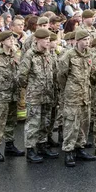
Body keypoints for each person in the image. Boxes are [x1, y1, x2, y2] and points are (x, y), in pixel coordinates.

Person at [57, 29, 96, 167]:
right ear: (78, 40)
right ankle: (68, 150)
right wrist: (67, 89)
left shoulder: (89, 54)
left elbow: (92, 73)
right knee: (71, 124)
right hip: (72, 95)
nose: (87, 42)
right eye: (84, 40)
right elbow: (61, 76)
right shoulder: (68, 55)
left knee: (84, 123)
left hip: (85, 94)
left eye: (88, 39)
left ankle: (80, 148)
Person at [19, 28, 58, 163]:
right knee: (33, 123)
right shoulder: (30, 55)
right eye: (45, 39)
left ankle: (42, 145)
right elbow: (22, 76)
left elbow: (54, 71)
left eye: (49, 39)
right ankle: (30, 150)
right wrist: (31, 87)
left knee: (45, 122)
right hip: (35, 95)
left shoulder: (49, 54)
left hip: (48, 94)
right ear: (37, 40)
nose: (48, 41)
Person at [0, 30, 25, 161]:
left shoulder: (16, 55)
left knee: (12, 121)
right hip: (2, 95)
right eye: (8, 39)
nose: (12, 41)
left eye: (13, 39)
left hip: (14, 93)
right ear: (1, 42)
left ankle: (9, 146)